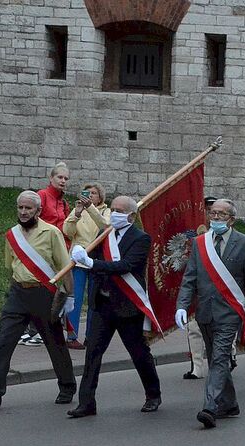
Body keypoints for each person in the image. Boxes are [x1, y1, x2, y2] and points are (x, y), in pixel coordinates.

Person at [0, 191, 76, 410]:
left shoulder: (51, 232)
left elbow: (65, 266)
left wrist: (69, 296)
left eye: (28, 208)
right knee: (4, 342)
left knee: (54, 343)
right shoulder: (12, 235)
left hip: (43, 294)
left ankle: (67, 386)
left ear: (38, 211)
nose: (23, 212)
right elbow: (11, 266)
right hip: (18, 294)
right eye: (20, 208)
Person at [66, 196, 163, 417]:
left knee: (138, 353)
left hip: (127, 306)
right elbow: (92, 260)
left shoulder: (141, 239)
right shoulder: (104, 234)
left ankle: (153, 394)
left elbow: (126, 265)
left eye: (119, 210)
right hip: (103, 304)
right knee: (93, 353)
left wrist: (92, 263)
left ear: (131, 216)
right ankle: (87, 403)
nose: (114, 213)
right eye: (112, 209)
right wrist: (82, 256)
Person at [175, 199, 245, 429]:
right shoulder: (199, 243)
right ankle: (230, 403)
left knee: (221, 357)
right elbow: (189, 278)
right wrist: (182, 306)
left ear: (232, 219)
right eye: (212, 213)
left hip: (229, 312)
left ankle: (209, 407)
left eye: (221, 215)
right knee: (216, 359)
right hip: (205, 311)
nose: (215, 218)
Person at [20, 162, 72, 347]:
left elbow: (65, 226)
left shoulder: (63, 202)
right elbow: (30, 219)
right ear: (51, 178)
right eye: (60, 177)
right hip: (40, 248)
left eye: (66, 178)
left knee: (49, 290)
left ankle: (38, 329)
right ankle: (31, 330)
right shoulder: (42, 196)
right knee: (37, 288)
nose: (63, 181)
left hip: (58, 250)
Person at [62, 183, 110, 349]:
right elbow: (67, 231)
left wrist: (90, 208)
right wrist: (76, 214)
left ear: (100, 197)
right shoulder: (78, 210)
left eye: (94, 193)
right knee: (74, 300)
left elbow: (105, 226)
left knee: (94, 301)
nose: (90, 195)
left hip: (96, 261)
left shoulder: (105, 211)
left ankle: (92, 336)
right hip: (78, 261)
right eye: (87, 193)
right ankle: (71, 336)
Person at [183, 196, 217, 380]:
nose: (209, 213)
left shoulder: (226, 233)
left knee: (219, 326)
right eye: (207, 209)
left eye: (213, 209)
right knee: (194, 327)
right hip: (199, 286)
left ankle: (229, 357)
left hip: (219, 287)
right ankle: (197, 366)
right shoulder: (193, 233)